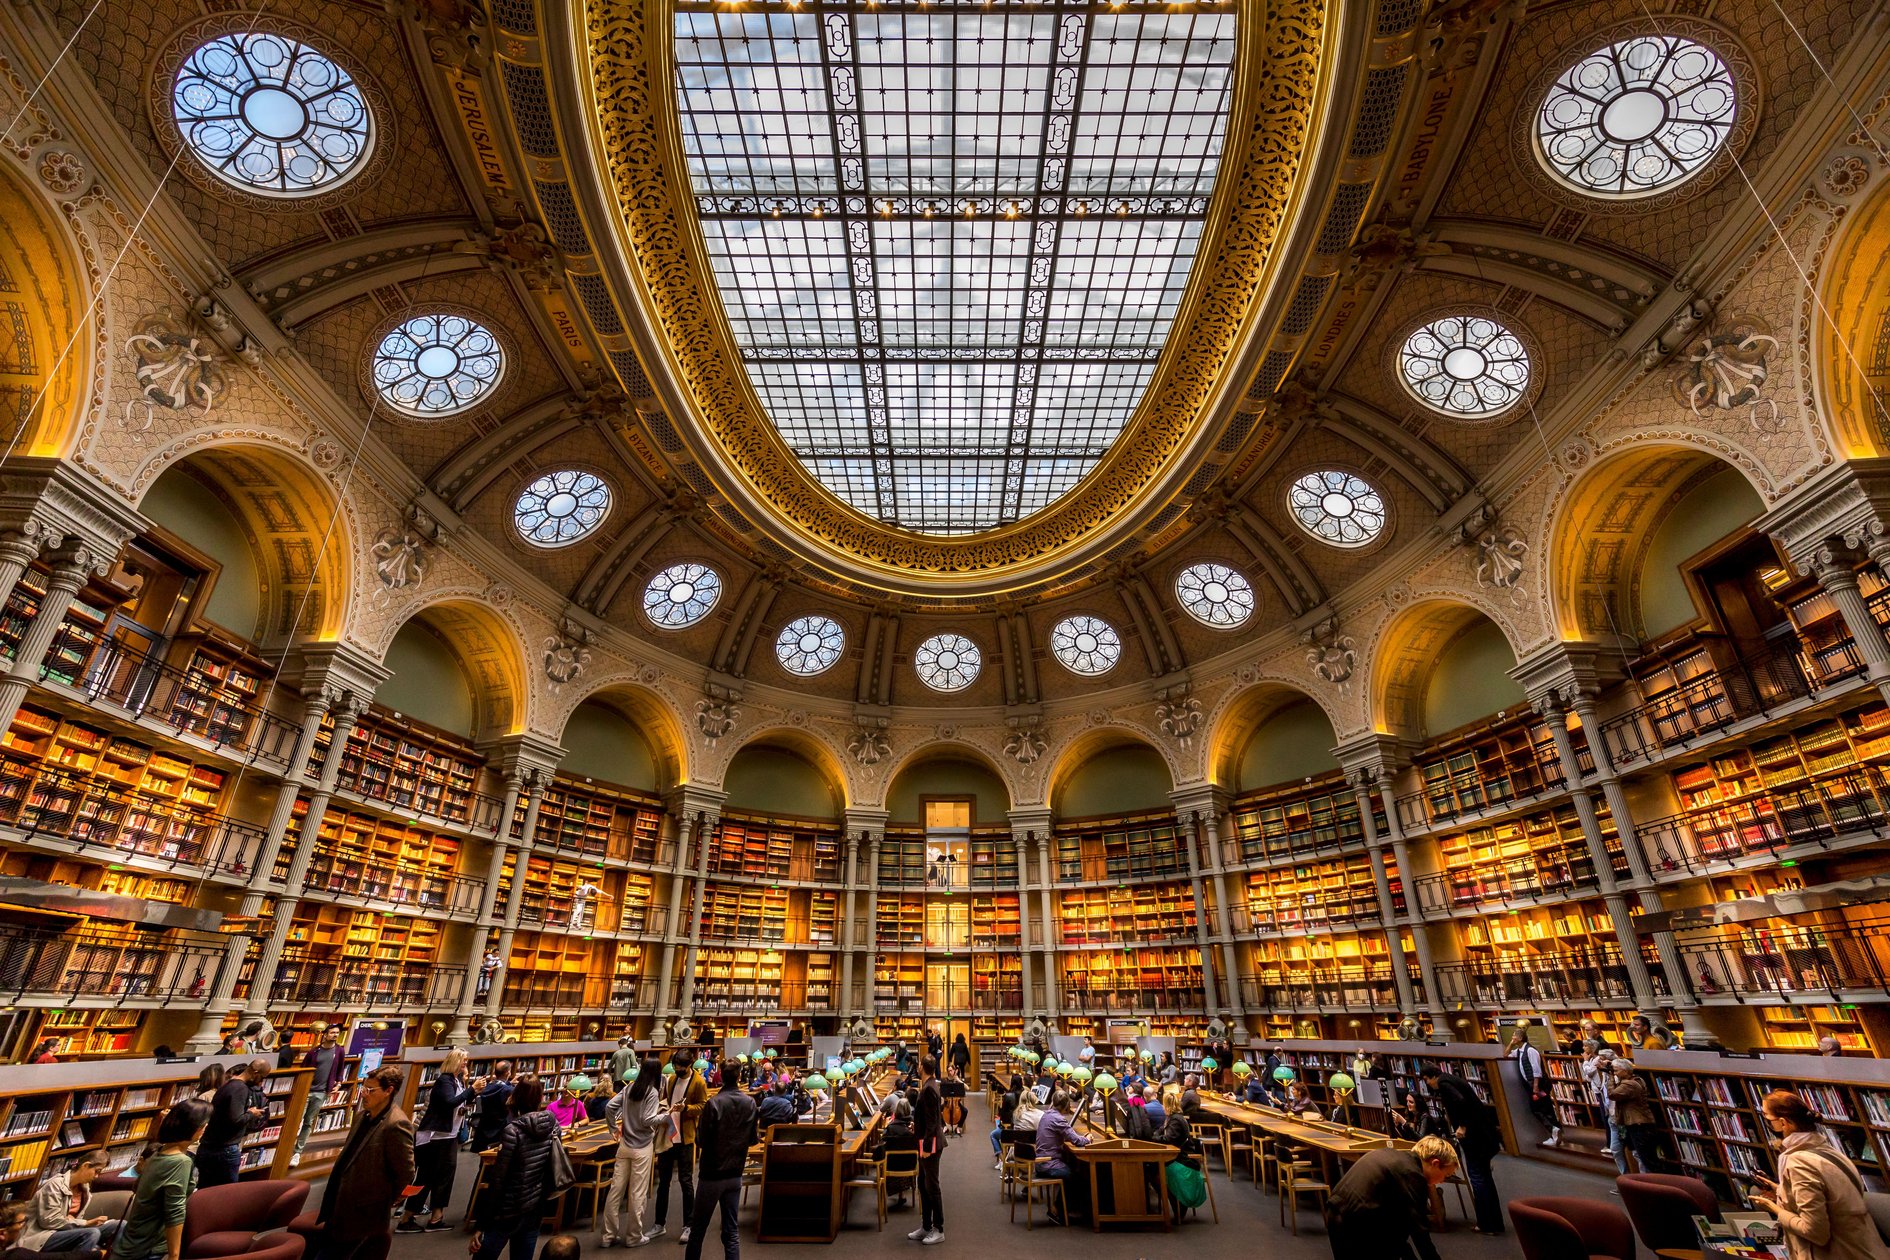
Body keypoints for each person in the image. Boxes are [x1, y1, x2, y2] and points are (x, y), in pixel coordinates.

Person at [1749, 1090, 1890, 1260]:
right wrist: (1779, 1189)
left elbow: (1815, 1232)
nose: (1766, 1124)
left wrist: (1775, 1209)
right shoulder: (1830, 1152)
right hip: (1866, 1250)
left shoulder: (1798, 1164)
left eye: (1767, 1118)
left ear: (1783, 1123)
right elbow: (1830, 1200)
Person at [313, 1065, 413, 1260]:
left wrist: (386, 1199)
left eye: (370, 1090)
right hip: (339, 1203)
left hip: (363, 1210)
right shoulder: (361, 1117)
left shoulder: (396, 1124)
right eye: (363, 1088)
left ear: (388, 1091)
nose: (363, 1094)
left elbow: (405, 1171)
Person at [1323, 1135, 1460, 1260]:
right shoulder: (1413, 1175)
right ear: (1435, 1163)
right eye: (1446, 1175)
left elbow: (1398, 1228)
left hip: (1337, 1212)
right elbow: (1419, 1231)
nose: (1442, 1181)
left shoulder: (1397, 1158)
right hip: (1355, 1224)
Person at [474, 1074, 562, 1260]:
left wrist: (482, 1224)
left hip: (508, 1208)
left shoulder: (512, 1131)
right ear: (540, 1097)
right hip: (535, 1206)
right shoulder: (553, 1125)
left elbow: (499, 1179)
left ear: (516, 1096)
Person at [108, 1100, 205, 1260]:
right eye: (203, 1125)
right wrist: (174, 1256)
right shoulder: (180, 1161)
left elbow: (138, 1188)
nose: (204, 1129)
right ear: (192, 1128)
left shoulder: (158, 1153)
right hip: (148, 1247)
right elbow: (175, 1212)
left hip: (133, 1241)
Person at [684, 1059, 756, 1260]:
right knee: (731, 1232)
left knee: (698, 1230)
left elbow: (701, 1140)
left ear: (721, 1076)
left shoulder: (713, 1103)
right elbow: (751, 1139)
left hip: (712, 1175)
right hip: (735, 1173)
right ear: (739, 1076)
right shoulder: (750, 1103)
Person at [1419, 1064, 1503, 1236]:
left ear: (1430, 1077)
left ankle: (1486, 1224)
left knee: (1478, 1178)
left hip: (1475, 1139)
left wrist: (1462, 1126)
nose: (1428, 1085)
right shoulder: (1452, 1079)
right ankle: (1495, 1222)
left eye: (1426, 1081)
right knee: (1486, 1178)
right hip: (1485, 1135)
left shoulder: (1444, 1084)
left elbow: (1461, 1102)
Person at [399, 1049, 471, 1233]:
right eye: (464, 1061)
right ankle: (407, 1216)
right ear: (455, 1061)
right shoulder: (444, 1081)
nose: (466, 1064)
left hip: (450, 1136)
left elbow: (460, 1102)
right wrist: (471, 1090)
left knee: (445, 1177)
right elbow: (449, 1102)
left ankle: (436, 1217)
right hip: (435, 1137)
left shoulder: (457, 1081)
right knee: (425, 1177)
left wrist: (471, 1092)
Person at [602, 1055, 664, 1249]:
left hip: (625, 1145)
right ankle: (633, 1236)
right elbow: (647, 1120)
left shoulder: (629, 1088)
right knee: (637, 1192)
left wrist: (613, 1128)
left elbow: (610, 1106)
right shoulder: (652, 1092)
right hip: (643, 1146)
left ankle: (608, 1235)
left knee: (615, 1191)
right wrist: (666, 1116)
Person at [652, 1050, 708, 1245]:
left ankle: (688, 1225)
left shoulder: (699, 1082)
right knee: (663, 1183)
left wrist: (687, 1109)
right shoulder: (671, 1080)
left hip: (685, 1138)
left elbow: (703, 1106)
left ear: (689, 1065)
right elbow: (666, 1100)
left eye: (681, 1066)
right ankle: (659, 1224)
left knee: (686, 1182)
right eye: (676, 1065)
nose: (678, 1069)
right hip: (669, 1135)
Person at [22, 1155, 118, 1253]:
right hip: (43, 1235)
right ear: (85, 1166)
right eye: (96, 1171)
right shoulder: (55, 1185)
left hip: (68, 1231)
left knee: (119, 1225)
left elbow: (75, 1220)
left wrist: (80, 1223)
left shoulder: (85, 1188)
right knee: (92, 1233)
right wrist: (86, 1223)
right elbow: (49, 1221)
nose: (97, 1176)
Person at [196, 1059, 268, 1188]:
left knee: (206, 1191)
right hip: (224, 1149)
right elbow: (235, 1120)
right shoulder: (240, 1089)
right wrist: (252, 1113)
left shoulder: (228, 1085)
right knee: (227, 1193)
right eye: (261, 1077)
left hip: (210, 1146)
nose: (261, 1082)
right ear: (255, 1072)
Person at [290, 1026, 347, 1167]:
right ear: (325, 1034)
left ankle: (297, 1152)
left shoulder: (339, 1051)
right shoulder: (314, 1051)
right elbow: (304, 1069)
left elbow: (340, 1068)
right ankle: (287, 1149)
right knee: (296, 1120)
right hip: (306, 1090)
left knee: (309, 1121)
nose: (335, 1035)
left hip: (321, 1092)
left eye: (337, 1033)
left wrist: (339, 1083)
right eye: (332, 1033)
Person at [1035, 1090, 1090, 1227]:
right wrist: (1087, 1138)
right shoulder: (1058, 1119)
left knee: (1074, 1172)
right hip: (1048, 1163)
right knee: (1074, 1176)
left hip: (1041, 1160)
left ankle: (1069, 1208)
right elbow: (1077, 1141)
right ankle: (1057, 1210)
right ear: (1066, 1105)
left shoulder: (1046, 1115)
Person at [910, 1055, 946, 1245]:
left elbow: (933, 1123)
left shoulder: (929, 1089)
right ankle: (926, 1225)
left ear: (922, 1067)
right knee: (923, 1184)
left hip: (930, 1145)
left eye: (919, 1065)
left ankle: (939, 1228)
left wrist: (925, 1147)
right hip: (925, 1140)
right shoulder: (929, 1085)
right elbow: (926, 1119)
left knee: (932, 1186)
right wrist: (916, 1127)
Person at [1608, 1059, 1662, 1175]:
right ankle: (1647, 1182)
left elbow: (1612, 1094)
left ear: (1624, 1071)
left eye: (1616, 1071)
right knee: (1640, 1154)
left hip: (1639, 1125)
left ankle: (1654, 1184)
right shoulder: (1635, 1080)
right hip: (1638, 1123)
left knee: (1646, 1158)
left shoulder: (1629, 1084)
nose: (1614, 1073)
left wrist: (1610, 1079)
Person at [1508, 1028, 1560, 1147]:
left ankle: (1554, 1129)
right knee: (1543, 1107)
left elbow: (1536, 1070)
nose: (1512, 1038)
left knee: (1540, 1107)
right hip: (1532, 1086)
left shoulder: (1530, 1050)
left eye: (1514, 1036)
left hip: (1540, 1086)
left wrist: (1535, 1087)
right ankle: (1554, 1130)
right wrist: (1511, 1044)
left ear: (1520, 1038)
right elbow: (1506, 1054)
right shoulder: (1519, 1051)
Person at [1582, 1047, 1619, 1156]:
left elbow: (1588, 1072)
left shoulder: (1614, 1073)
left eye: (1602, 1059)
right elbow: (1588, 1078)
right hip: (1607, 1102)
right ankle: (1611, 1145)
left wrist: (1585, 1061)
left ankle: (1611, 1145)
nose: (1599, 1061)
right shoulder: (1603, 1071)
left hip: (1613, 1106)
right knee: (1607, 1121)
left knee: (1610, 1123)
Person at [474, 1060, 517, 1151]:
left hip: (485, 1128)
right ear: (508, 1073)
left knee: (484, 1156)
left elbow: (499, 1086)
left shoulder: (487, 1086)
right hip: (501, 1129)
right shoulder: (508, 1091)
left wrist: (509, 1083)